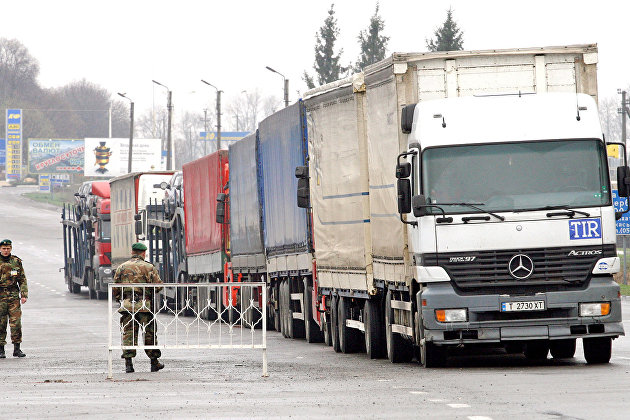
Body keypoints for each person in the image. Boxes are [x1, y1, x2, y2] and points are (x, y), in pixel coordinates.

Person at [113, 242, 164, 373]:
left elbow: (116, 289)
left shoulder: (122, 267)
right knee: (149, 333)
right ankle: (154, 362)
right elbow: (158, 286)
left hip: (128, 305)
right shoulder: (149, 267)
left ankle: (128, 364)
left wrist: (121, 299)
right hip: (144, 306)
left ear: (132, 252)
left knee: (128, 334)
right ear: (143, 253)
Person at [0, 239, 27, 358]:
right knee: (1, 323)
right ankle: (1, 350)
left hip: (13, 296)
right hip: (0, 296)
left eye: (8, 249)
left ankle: (17, 348)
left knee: (16, 323)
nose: (6, 251)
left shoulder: (16, 262)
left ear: (11, 249)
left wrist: (24, 294)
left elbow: (22, 279)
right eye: (4, 249)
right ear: (0, 249)